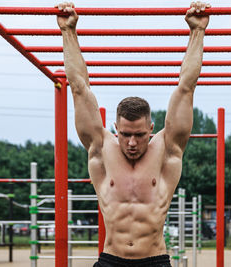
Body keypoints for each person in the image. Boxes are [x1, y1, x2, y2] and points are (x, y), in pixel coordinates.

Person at [56, 2, 210, 266]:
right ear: (115, 128)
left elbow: (186, 86)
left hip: (154, 260)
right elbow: (79, 88)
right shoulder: (101, 147)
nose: (131, 142)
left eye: (140, 135)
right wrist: (68, 31)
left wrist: (197, 31)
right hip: (111, 259)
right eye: (125, 134)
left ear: (152, 129)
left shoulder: (166, 149)